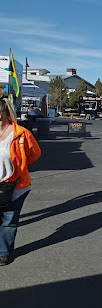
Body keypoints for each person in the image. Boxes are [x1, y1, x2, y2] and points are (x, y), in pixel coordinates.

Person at [0, 97, 41, 265]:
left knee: (8, 221)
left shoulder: (21, 134)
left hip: (15, 186)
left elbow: (35, 154)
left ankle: (3, 252)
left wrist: (20, 165)